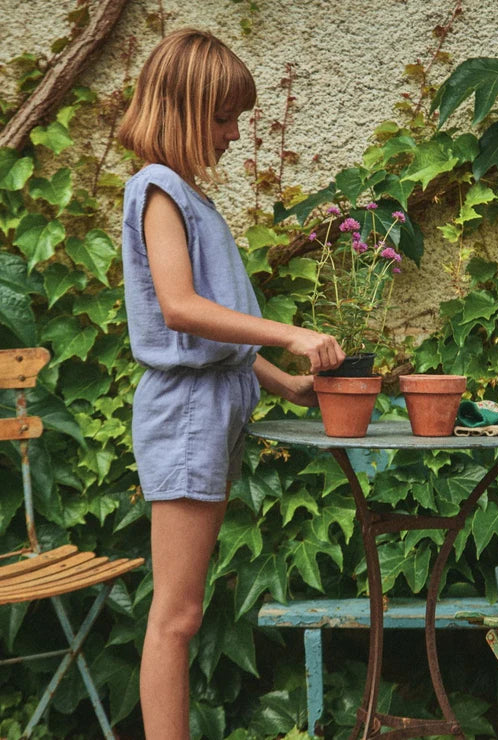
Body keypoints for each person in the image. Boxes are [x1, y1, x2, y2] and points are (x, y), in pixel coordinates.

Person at [117, 28, 345, 739]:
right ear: (183, 110)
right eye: (223, 119)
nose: (234, 135)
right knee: (176, 617)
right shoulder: (158, 190)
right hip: (186, 418)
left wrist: (285, 384)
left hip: (205, 410)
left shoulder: (188, 197)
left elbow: (215, 338)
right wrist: (291, 333)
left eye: (240, 119)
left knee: (182, 612)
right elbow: (182, 309)